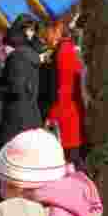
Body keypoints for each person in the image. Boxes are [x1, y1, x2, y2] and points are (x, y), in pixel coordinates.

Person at [38, 16, 86, 168]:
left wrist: (50, 116)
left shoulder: (64, 52)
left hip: (65, 119)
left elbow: (61, 90)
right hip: (68, 117)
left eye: (46, 32)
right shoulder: (64, 50)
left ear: (56, 30)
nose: (44, 37)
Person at [0, 13, 44, 148]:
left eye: (33, 29)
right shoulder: (32, 54)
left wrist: (0, 89)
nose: (31, 33)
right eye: (30, 29)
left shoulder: (17, 55)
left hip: (16, 114)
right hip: (32, 112)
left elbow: (15, 87)